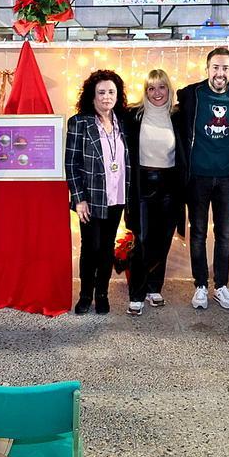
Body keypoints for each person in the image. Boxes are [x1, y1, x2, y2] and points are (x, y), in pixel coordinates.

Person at [176, 47, 229, 310]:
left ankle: (221, 286)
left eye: (225, 68)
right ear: (207, 69)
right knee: (197, 233)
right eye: (216, 67)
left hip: (227, 178)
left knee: (224, 234)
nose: (220, 73)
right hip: (197, 177)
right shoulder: (191, 94)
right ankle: (200, 285)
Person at [65, 70, 132, 315]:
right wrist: (78, 198)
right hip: (91, 198)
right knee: (90, 247)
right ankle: (85, 295)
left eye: (111, 92)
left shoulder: (124, 122)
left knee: (106, 247)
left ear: (118, 95)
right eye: (101, 92)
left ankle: (102, 294)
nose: (106, 97)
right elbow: (71, 163)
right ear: (92, 96)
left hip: (117, 196)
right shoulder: (79, 122)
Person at [122, 69, 183, 315]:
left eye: (162, 87)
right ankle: (137, 292)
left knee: (164, 238)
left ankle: (154, 287)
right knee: (144, 240)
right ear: (145, 91)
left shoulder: (178, 116)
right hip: (143, 183)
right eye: (151, 88)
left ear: (169, 89)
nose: (157, 93)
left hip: (170, 183)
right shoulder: (133, 115)